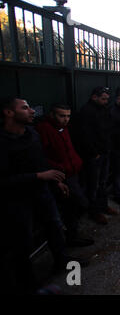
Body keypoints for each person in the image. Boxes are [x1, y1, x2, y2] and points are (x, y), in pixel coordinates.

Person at [0, 97, 87, 294]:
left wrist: (55, 180)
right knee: (21, 245)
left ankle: (61, 261)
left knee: (55, 226)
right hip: (16, 200)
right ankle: (28, 285)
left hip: (42, 192)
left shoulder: (31, 134)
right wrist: (39, 176)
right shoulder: (3, 142)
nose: (31, 111)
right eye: (25, 108)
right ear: (9, 113)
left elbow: (41, 163)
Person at [35, 103, 93, 247]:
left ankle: (72, 234)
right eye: (62, 116)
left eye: (68, 116)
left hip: (73, 172)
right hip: (62, 175)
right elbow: (41, 156)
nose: (66, 119)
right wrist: (57, 172)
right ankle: (69, 235)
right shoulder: (44, 129)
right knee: (76, 204)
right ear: (52, 115)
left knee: (73, 207)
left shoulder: (64, 128)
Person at [72, 86, 118, 225]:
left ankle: (103, 206)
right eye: (103, 99)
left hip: (104, 151)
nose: (105, 101)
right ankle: (94, 212)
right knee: (93, 185)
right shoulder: (86, 112)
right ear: (94, 97)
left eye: (107, 99)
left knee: (102, 182)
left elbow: (107, 129)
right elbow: (85, 135)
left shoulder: (103, 109)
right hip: (94, 155)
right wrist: (94, 153)